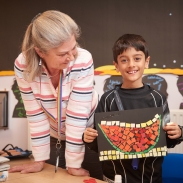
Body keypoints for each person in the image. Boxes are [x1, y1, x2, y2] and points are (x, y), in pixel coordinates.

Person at [9, 10, 103, 179]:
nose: (70, 57)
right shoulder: (23, 65)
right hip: (55, 135)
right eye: (61, 54)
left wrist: (74, 164)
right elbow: (35, 114)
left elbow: (77, 115)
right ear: (40, 51)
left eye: (73, 47)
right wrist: (39, 160)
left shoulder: (82, 60)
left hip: (88, 134)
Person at [83, 34, 183, 183]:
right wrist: (88, 138)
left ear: (146, 62)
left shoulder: (158, 98)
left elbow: (165, 141)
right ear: (116, 65)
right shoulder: (107, 100)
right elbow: (101, 144)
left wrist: (178, 132)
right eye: (124, 60)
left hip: (150, 178)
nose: (131, 64)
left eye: (137, 58)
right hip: (114, 178)